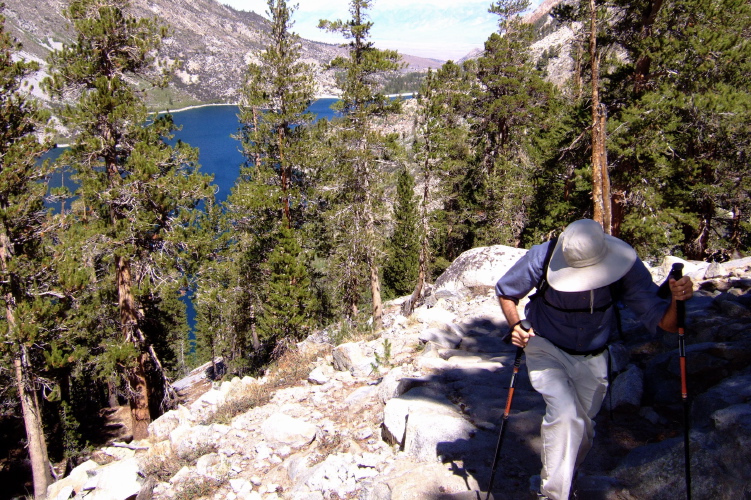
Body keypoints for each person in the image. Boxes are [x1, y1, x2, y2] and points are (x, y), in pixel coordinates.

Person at [495, 219, 693, 500]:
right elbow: (506, 291)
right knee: (565, 416)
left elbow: (665, 323)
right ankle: (553, 494)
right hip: (545, 345)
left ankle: (562, 477)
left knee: (583, 427)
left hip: (594, 354)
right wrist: (516, 326)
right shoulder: (543, 256)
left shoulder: (625, 265)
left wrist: (677, 300)